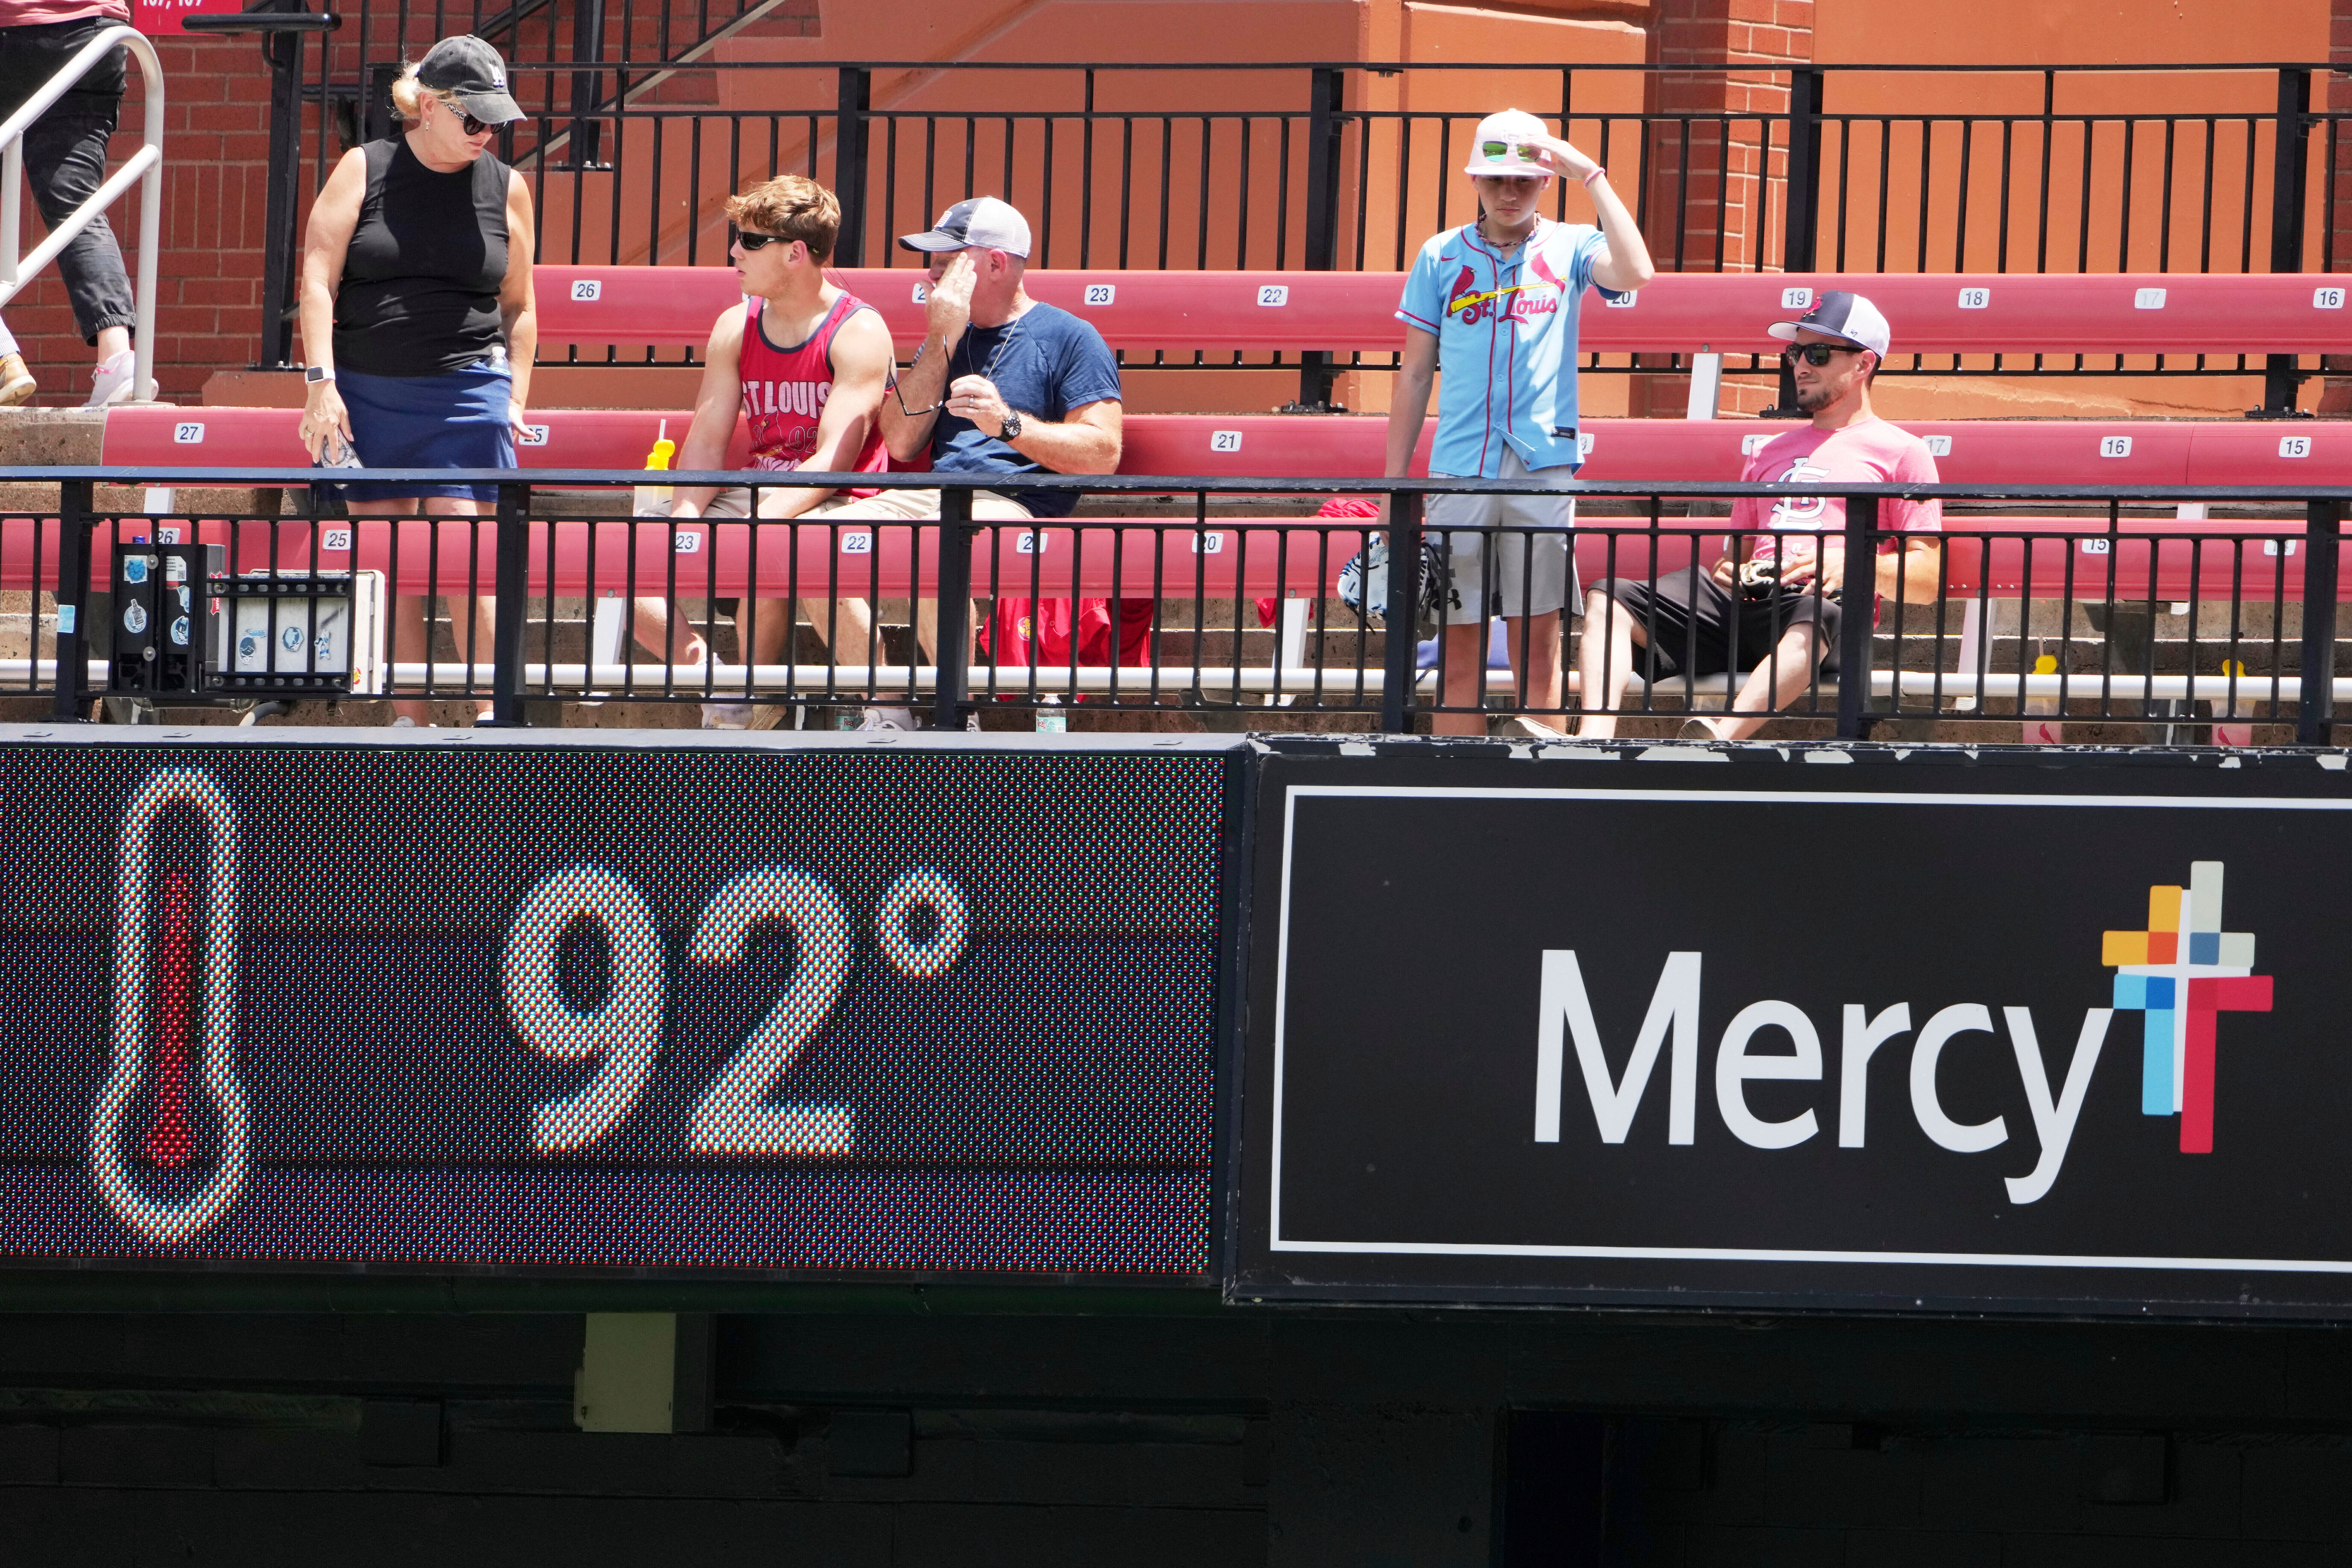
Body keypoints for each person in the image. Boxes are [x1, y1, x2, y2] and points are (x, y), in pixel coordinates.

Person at [1387, 108, 1653, 738]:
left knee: (1539, 651)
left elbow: (1637, 272)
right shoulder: (1440, 255)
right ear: (1474, 181)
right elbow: (1415, 373)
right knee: (1459, 655)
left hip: (1542, 467)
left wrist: (1590, 174)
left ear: (1545, 182)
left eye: (1525, 181)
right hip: (1459, 467)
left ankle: (1537, 793)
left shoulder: (1572, 245)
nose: (1509, 193)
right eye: (1495, 180)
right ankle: (1458, 792)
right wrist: (1393, 484)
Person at [1574, 291, 1945, 743]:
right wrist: (1730, 570)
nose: (1800, 365)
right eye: (1795, 352)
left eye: (1819, 353)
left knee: (1820, 611)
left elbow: (1927, 579)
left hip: (1820, 614)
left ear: (1864, 364)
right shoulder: (1768, 452)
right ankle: (1591, 741)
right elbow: (1734, 556)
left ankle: (1720, 738)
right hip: (1745, 606)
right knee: (1608, 596)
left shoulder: (1905, 452)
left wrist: (1850, 564)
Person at [295, 35, 536, 727]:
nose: (487, 133)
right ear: (427, 105)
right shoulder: (363, 168)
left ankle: (496, 723)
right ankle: (411, 722)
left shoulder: (505, 185)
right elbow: (317, 277)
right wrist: (320, 382)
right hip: (369, 386)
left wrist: (514, 394)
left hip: (468, 387)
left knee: (466, 553)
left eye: (495, 121)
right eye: (474, 119)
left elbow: (520, 306)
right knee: (392, 557)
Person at [822, 196, 1123, 729]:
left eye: (946, 263)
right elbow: (901, 441)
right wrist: (940, 337)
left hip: (1015, 502)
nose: (930, 275)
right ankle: (885, 709)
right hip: (934, 497)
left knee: (943, 540)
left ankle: (954, 715)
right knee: (812, 540)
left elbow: (1103, 451)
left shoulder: (1071, 337)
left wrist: (1008, 424)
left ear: (996, 263)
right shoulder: (944, 337)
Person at [630, 174, 893, 730]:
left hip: (838, 495)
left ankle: (886, 711)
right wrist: (684, 518)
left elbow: (833, 464)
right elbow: (706, 438)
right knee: (626, 558)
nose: (734, 252)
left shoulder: (860, 330)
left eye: (750, 241)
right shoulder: (736, 325)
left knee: (789, 546)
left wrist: (761, 518)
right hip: (760, 487)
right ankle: (723, 687)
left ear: (797, 253)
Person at [0, 0, 151, 406]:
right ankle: (117, 357)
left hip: (13, 27)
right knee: (75, 198)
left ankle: (1, 355)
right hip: (95, 35)